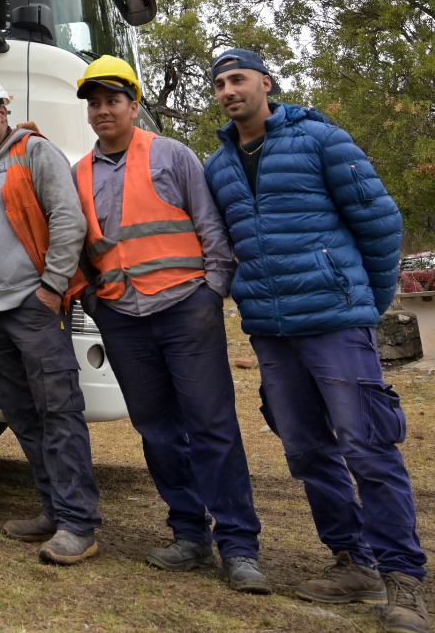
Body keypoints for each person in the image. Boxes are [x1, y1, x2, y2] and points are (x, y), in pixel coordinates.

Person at [206, 48, 427, 633]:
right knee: (306, 451)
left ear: (266, 82)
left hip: (336, 323)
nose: (229, 91)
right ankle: (353, 561)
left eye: (238, 79)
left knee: (368, 448)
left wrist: (361, 301)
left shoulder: (321, 140)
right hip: (271, 332)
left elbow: (381, 224)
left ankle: (403, 581)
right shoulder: (218, 166)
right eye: (220, 84)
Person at [69, 56, 268, 593]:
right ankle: (189, 534)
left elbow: (210, 227)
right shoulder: (78, 173)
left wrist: (211, 293)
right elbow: (77, 246)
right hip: (122, 318)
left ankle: (239, 547)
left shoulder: (171, 154)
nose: (103, 110)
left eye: (113, 100)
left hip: (185, 310)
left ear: (134, 106)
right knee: (156, 430)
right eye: (94, 103)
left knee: (211, 427)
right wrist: (91, 297)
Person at [0, 72, 100, 566]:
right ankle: (54, 510)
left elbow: (68, 218)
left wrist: (52, 286)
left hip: (34, 309)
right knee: (21, 413)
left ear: (2, 110)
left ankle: (79, 524)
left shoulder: (35, 153)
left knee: (58, 410)